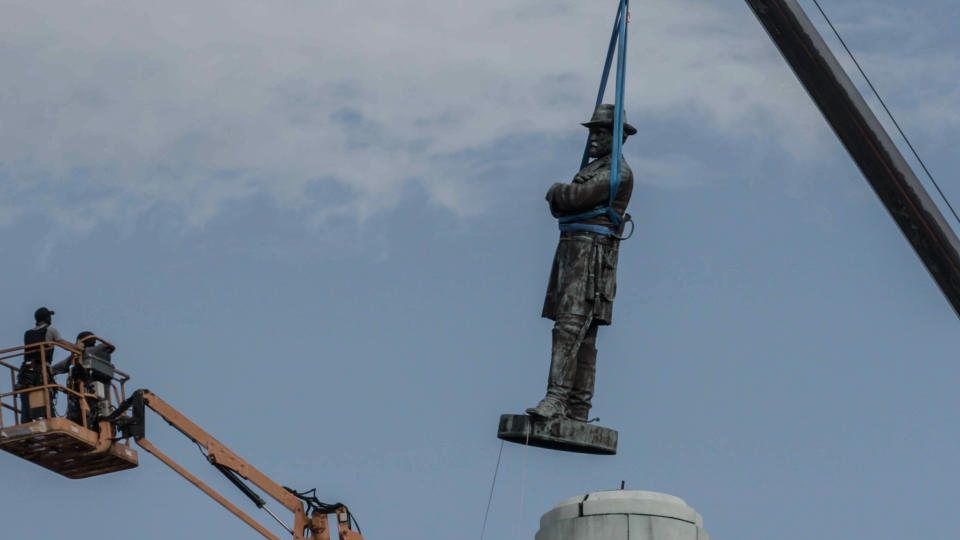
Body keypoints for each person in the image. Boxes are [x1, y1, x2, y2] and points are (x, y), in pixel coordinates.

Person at [526, 104, 635, 422]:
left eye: (600, 132)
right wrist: (565, 197)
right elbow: (566, 205)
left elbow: (572, 200)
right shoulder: (598, 168)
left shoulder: (617, 173)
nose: (593, 138)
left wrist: (557, 191)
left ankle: (558, 399)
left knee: (572, 327)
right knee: (579, 331)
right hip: (574, 251)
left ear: (617, 137)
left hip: (591, 256)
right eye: (592, 132)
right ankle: (577, 408)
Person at [18, 307, 73, 423]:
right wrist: (77, 348)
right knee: (46, 396)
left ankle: (26, 422)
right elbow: (62, 343)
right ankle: (50, 420)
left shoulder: (27, 333)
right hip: (41, 370)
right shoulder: (50, 330)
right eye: (50, 316)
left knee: (26, 395)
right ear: (47, 318)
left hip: (26, 370)